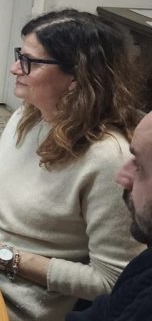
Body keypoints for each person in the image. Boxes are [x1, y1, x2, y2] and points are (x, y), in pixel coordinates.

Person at [0, 9, 144, 321]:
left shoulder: (109, 158)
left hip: (12, 297)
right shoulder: (28, 115)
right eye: (20, 55)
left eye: (29, 61)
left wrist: (1, 253)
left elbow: (111, 283)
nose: (15, 68)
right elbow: (0, 179)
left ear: (77, 76)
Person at [68, 111, 152, 320]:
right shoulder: (145, 263)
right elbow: (103, 312)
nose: (121, 177)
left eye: (140, 166)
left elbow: (106, 279)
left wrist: (6, 256)